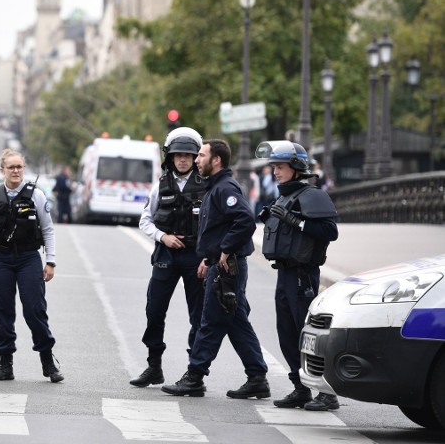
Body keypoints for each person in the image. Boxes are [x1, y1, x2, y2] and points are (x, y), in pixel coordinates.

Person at [162, 139, 270, 399]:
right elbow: (218, 228)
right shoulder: (214, 187)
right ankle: (257, 377)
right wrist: (209, 258)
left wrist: (224, 249)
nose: (196, 160)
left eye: (201, 155)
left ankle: (194, 377)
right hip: (220, 265)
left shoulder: (225, 188)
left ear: (216, 160)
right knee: (236, 323)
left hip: (227, 268)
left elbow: (245, 220)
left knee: (209, 321)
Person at [255, 141, 339, 412]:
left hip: (303, 275)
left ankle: (327, 393)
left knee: (308, 335)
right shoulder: (285, 195)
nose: (275, 172)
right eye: (274, 167)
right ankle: (301, 388)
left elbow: (329, 231)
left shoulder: (312, 195)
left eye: (280, 167)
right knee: (286, 332)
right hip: (285, 272)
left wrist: (296, 221)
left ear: (296, 168)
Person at [0, 149, 63, 383]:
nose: (16, 171)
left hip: (28, 258)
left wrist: (50, 261)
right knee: (2, 311)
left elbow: (48, 230)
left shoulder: (36, 196)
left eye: (19, 166)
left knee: (35, 309)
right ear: (2, 170)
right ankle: (5, 363)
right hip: (0, 258)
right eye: (11, 167)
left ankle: (47, 361)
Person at [130, 127, 206, 388]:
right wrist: (163, 237)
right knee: (154, 310)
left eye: (188, 155)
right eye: (178, 155)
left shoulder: (206, 186)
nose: (183, 159)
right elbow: (145, 220)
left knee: (197, 315)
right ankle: (154, 367)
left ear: (196, 157)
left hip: (196, 256)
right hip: (166, 254)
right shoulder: (160, 185)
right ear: (170, 158)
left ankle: (194, 372)